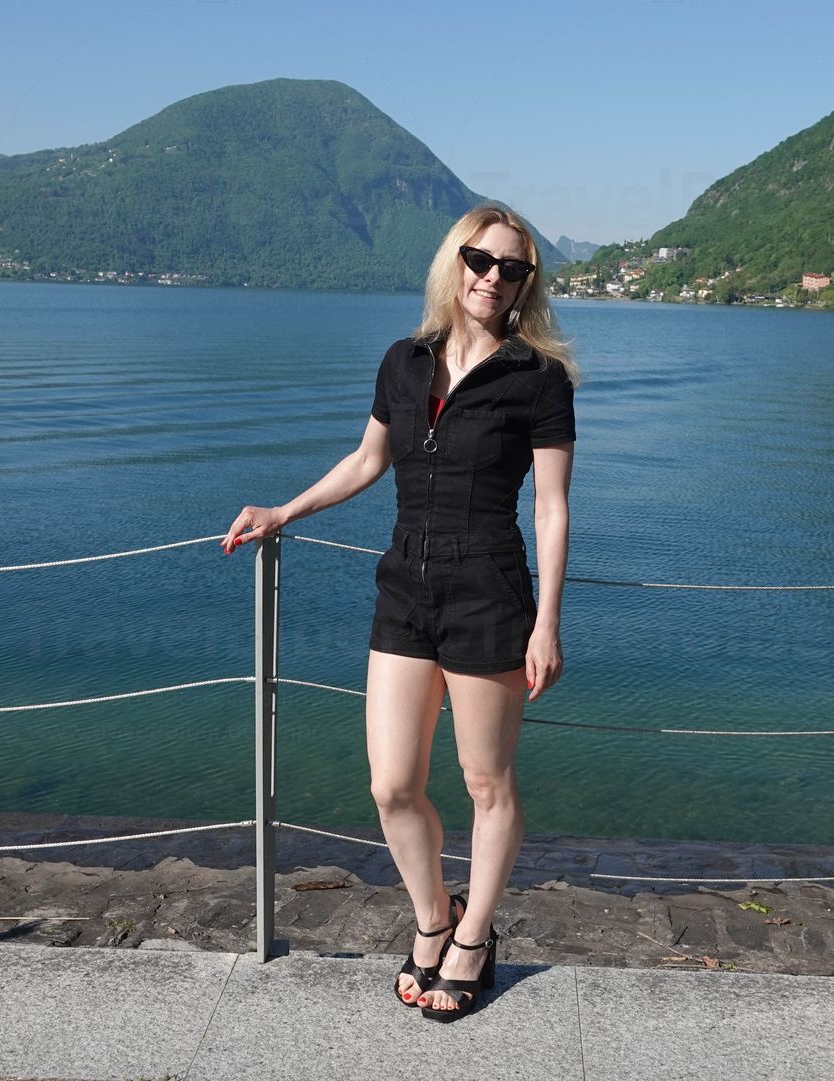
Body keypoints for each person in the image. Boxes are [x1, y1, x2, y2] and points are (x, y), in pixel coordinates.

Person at [221, 204, 578, 1022]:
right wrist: (283, 510)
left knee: (487, 782)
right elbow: (367, 459)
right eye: (479, 260)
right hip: (405, 592)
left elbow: (552, 508)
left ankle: (473, 938)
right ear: (455, 263)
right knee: (391, 786)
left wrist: (547, 622)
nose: (492, 278)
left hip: (490, 593)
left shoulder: (539, 378)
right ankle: (433, 917)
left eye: (512, 268)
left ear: (526, 284)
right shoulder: (404, 361)